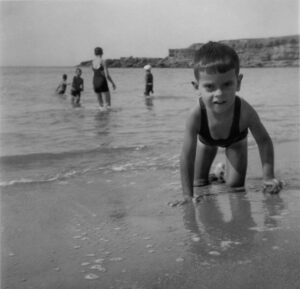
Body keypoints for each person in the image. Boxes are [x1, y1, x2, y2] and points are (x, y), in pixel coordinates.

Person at [180, 41, 282, 204]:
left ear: (238, 82)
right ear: (196, 86)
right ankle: (217, 174)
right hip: (207, 142)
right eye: (210, 87)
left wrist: (268, 177)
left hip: (236, 142)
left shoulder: (245, 111)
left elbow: (264, 141)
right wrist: (187, 195)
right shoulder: (196, 115)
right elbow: (187, 156)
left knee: (235, 187)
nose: (219, 93)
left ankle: (222, 173)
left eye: (227, 84)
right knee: (198, 184)